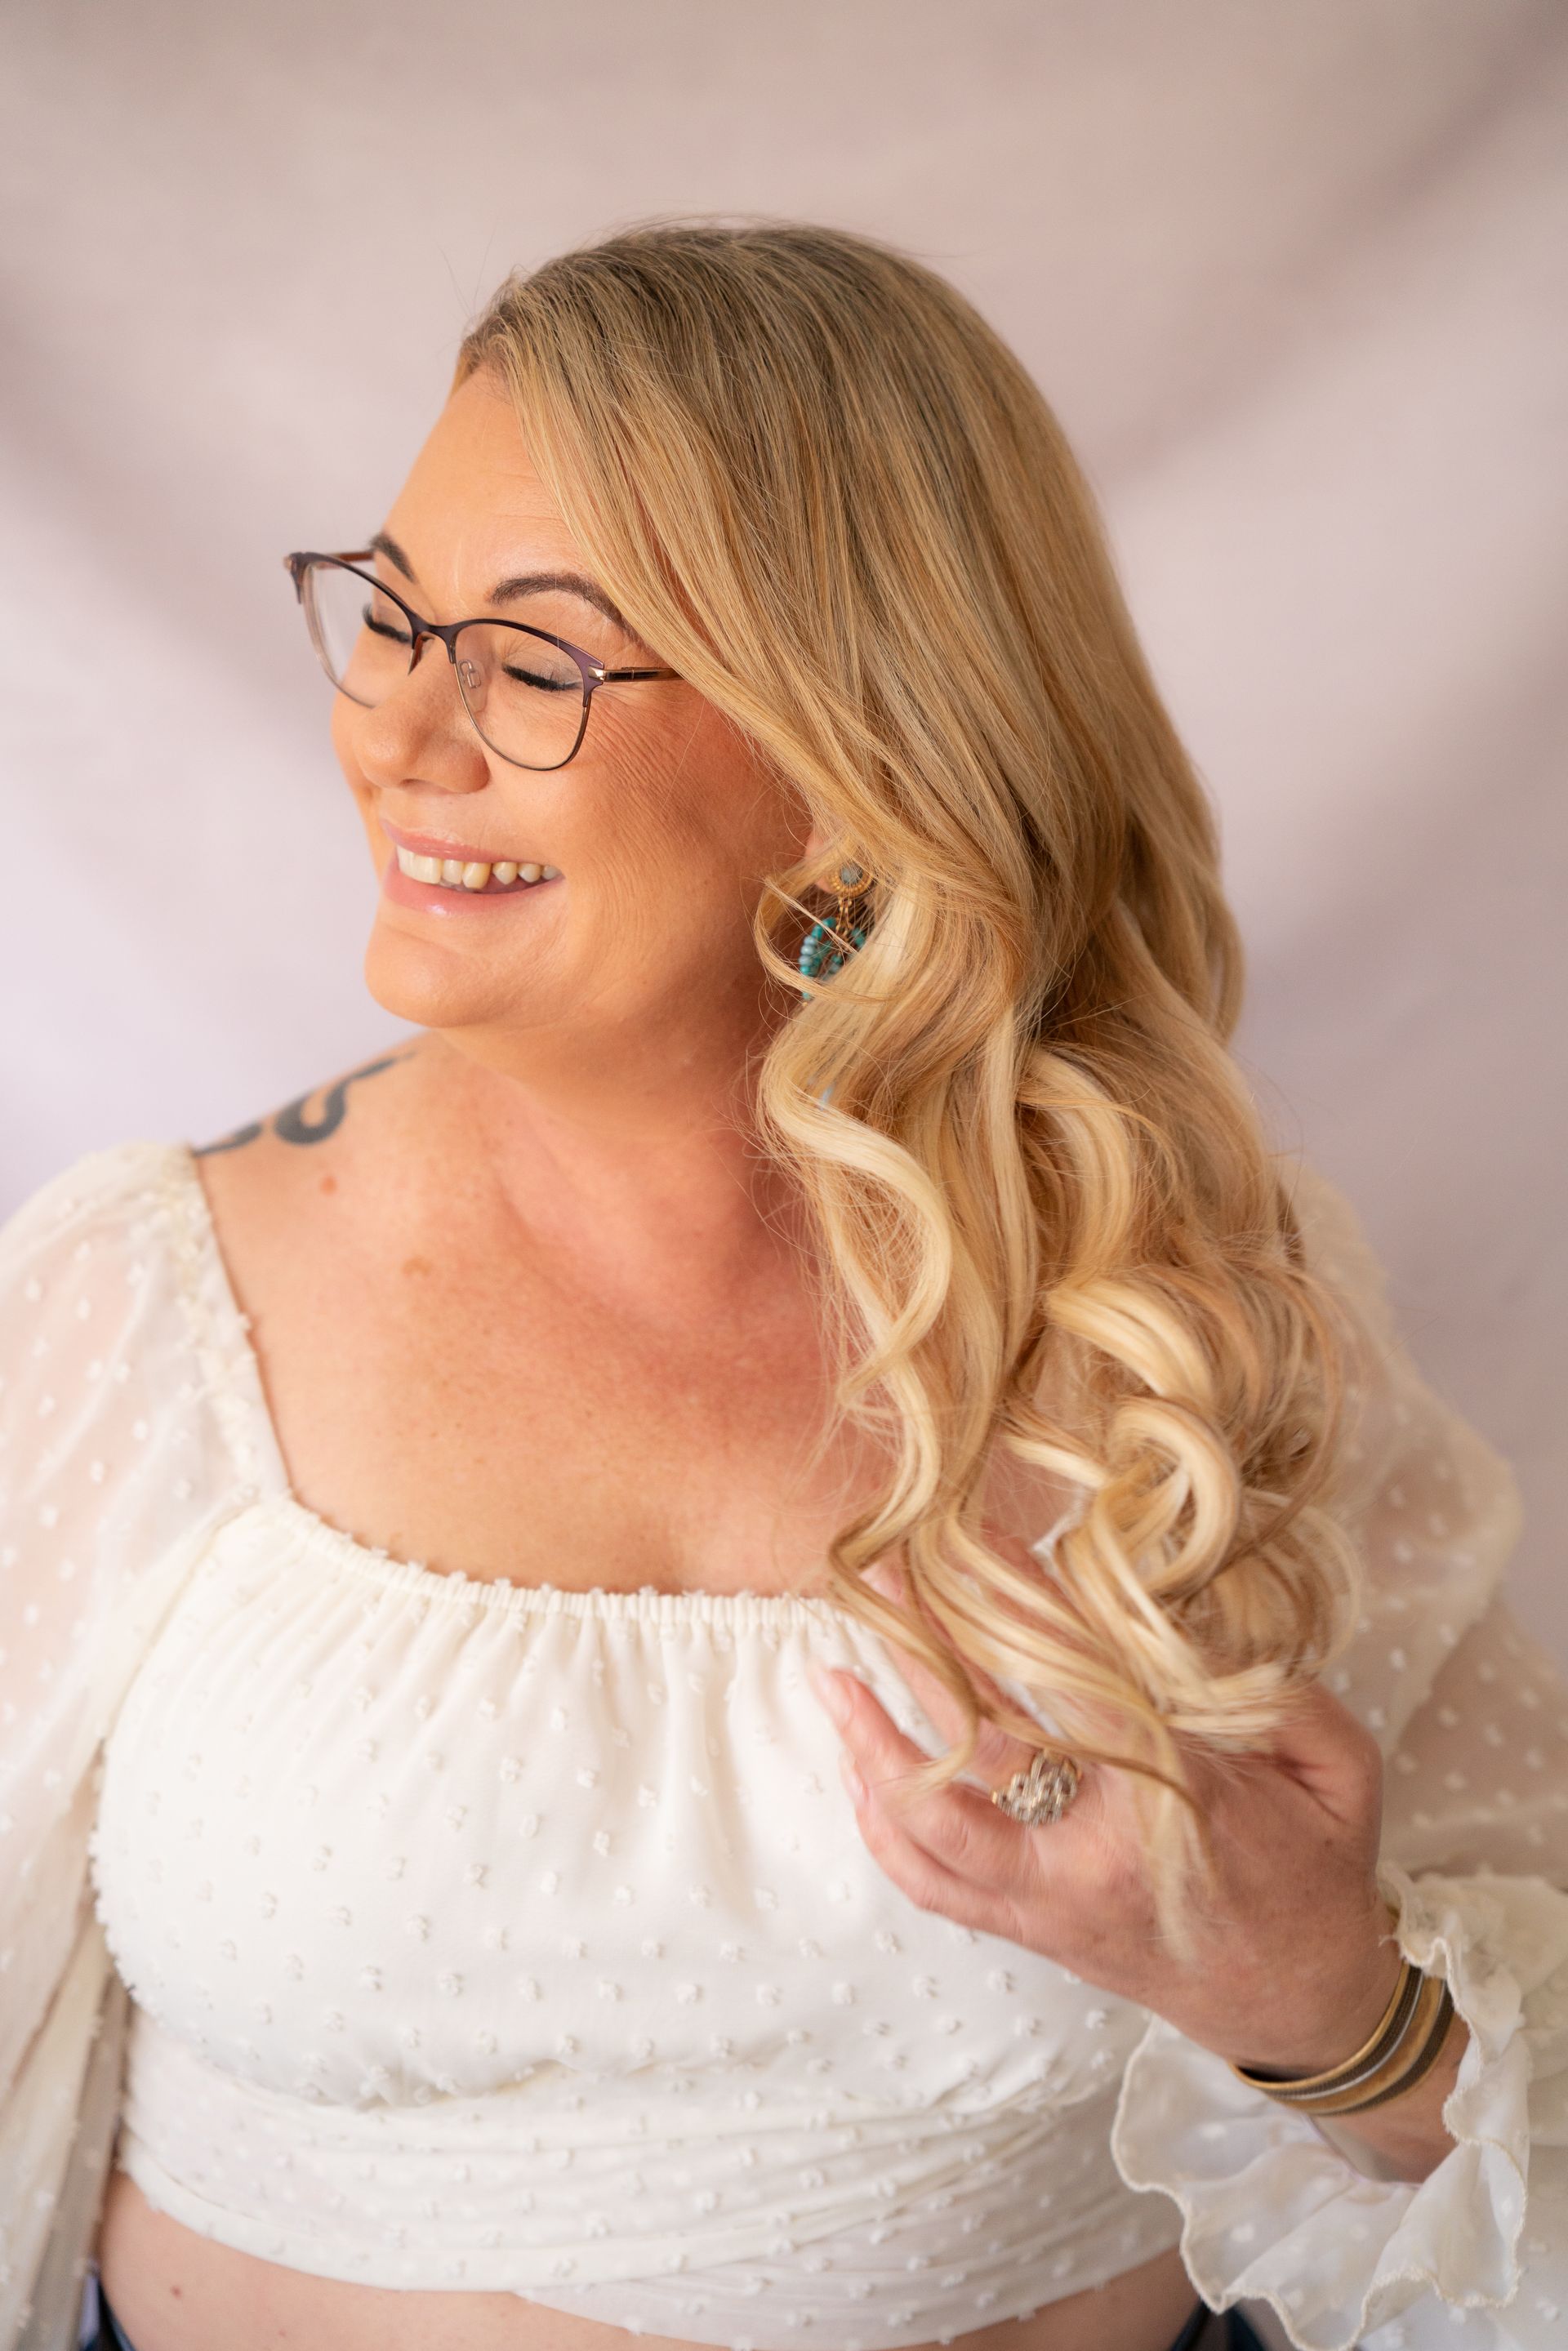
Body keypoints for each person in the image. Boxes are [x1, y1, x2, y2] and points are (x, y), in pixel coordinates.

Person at [1, 221, 1562, 2351]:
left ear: (854, 771)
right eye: (389, 609)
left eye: (535, 657)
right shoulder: (138, 1309)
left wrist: (1324, 2009)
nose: (398, 729)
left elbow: (1515, 2177)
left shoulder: (1185, 1321)